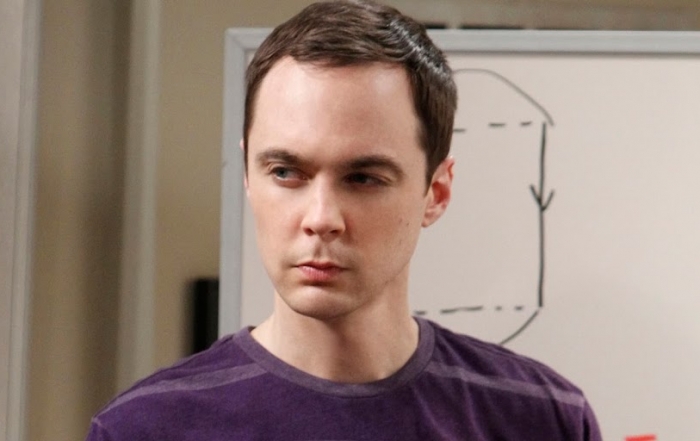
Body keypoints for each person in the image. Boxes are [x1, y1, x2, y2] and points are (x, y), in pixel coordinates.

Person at [86, 1, 602, 439]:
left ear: (436, 192)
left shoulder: (540, 419)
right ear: (246, 174)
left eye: (363, 178)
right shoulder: (146, 429)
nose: (321, 219)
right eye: (286, 172)